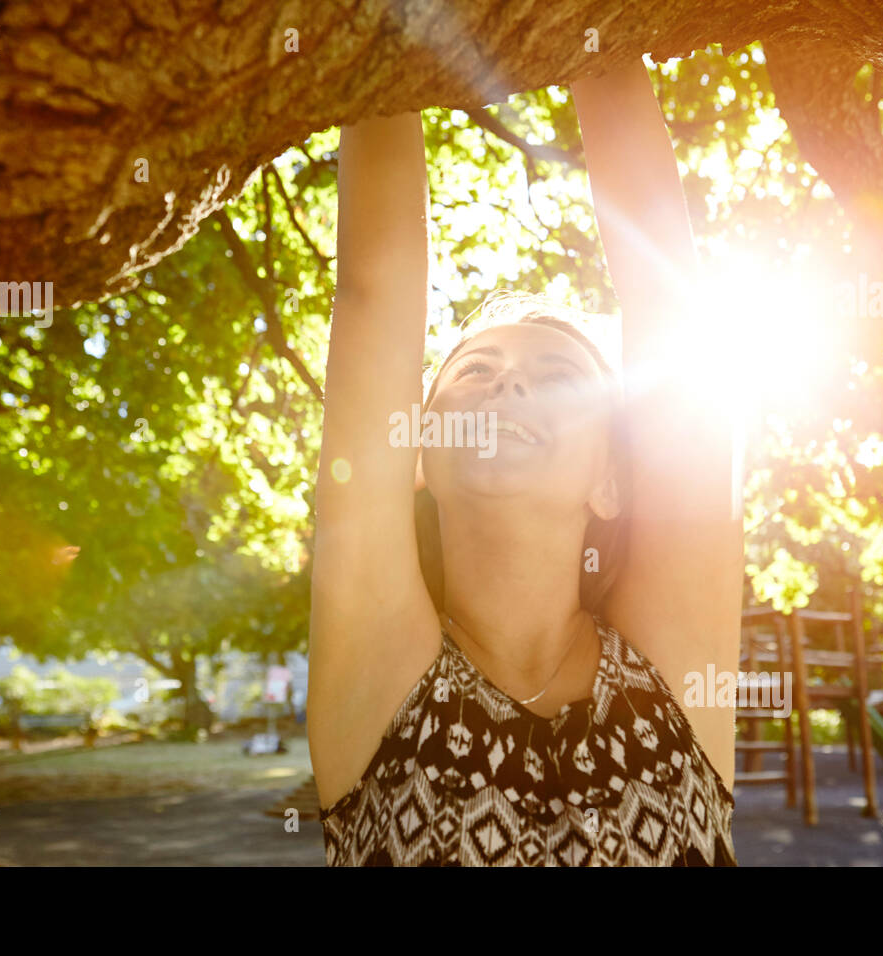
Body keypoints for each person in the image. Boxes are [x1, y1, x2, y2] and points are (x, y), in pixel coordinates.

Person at [308, 57, 743, 866]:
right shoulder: (383, 676)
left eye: (558, 381)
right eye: (473, 371)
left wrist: (592, 37)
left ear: (611, 478)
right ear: (417, 458)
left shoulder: (672, 673)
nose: (509, 383)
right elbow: (375, 285)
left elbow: (670, 301)